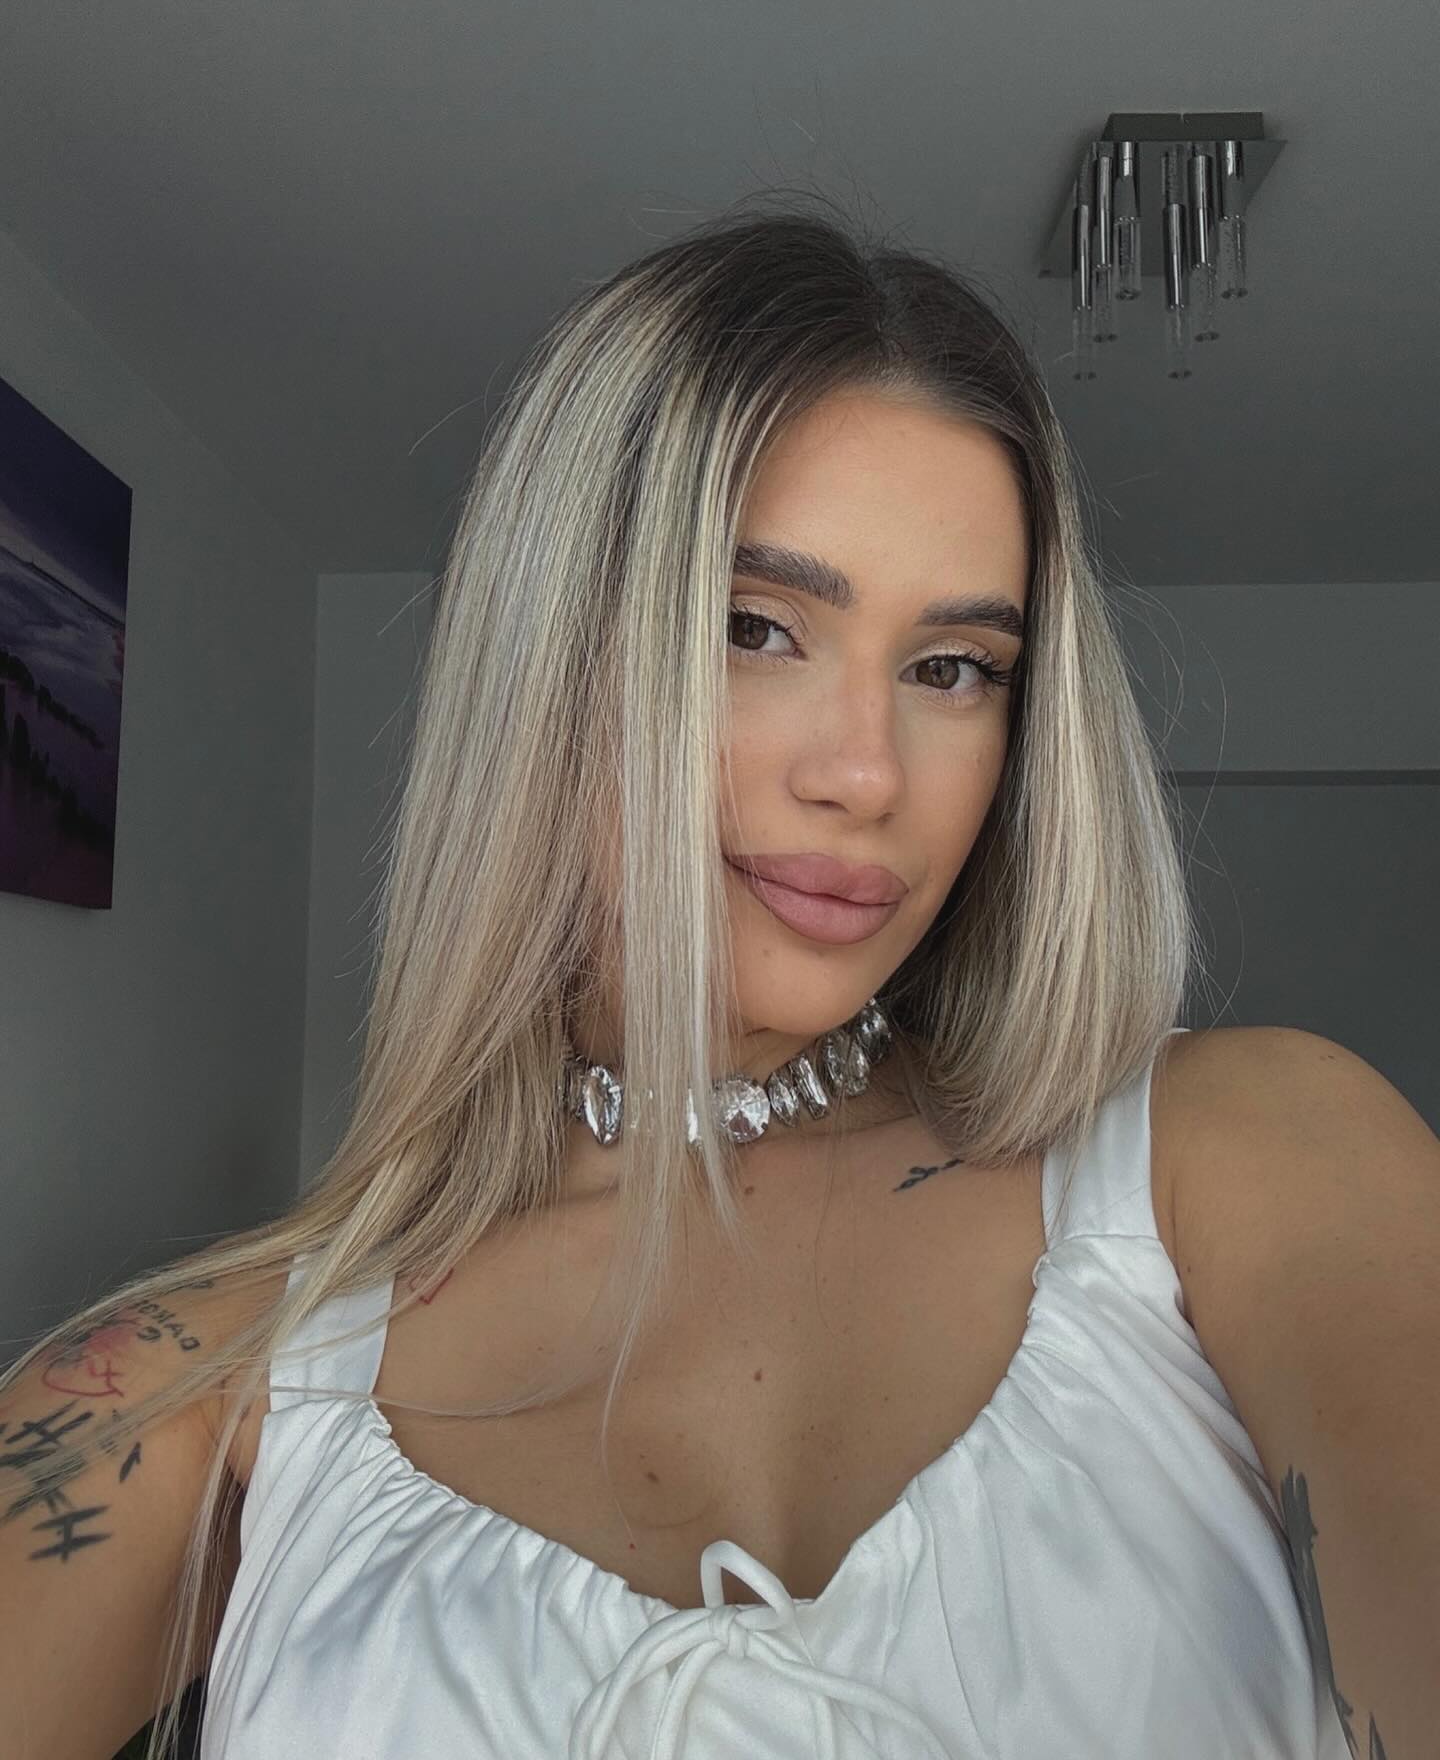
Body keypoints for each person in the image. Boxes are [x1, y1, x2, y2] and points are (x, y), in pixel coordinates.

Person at [0, 192, 1393, 1759]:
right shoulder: (219, 1380)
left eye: (953, 669)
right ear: (547, 661)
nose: (868, 774)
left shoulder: (1242, 1159)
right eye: (753, 626)